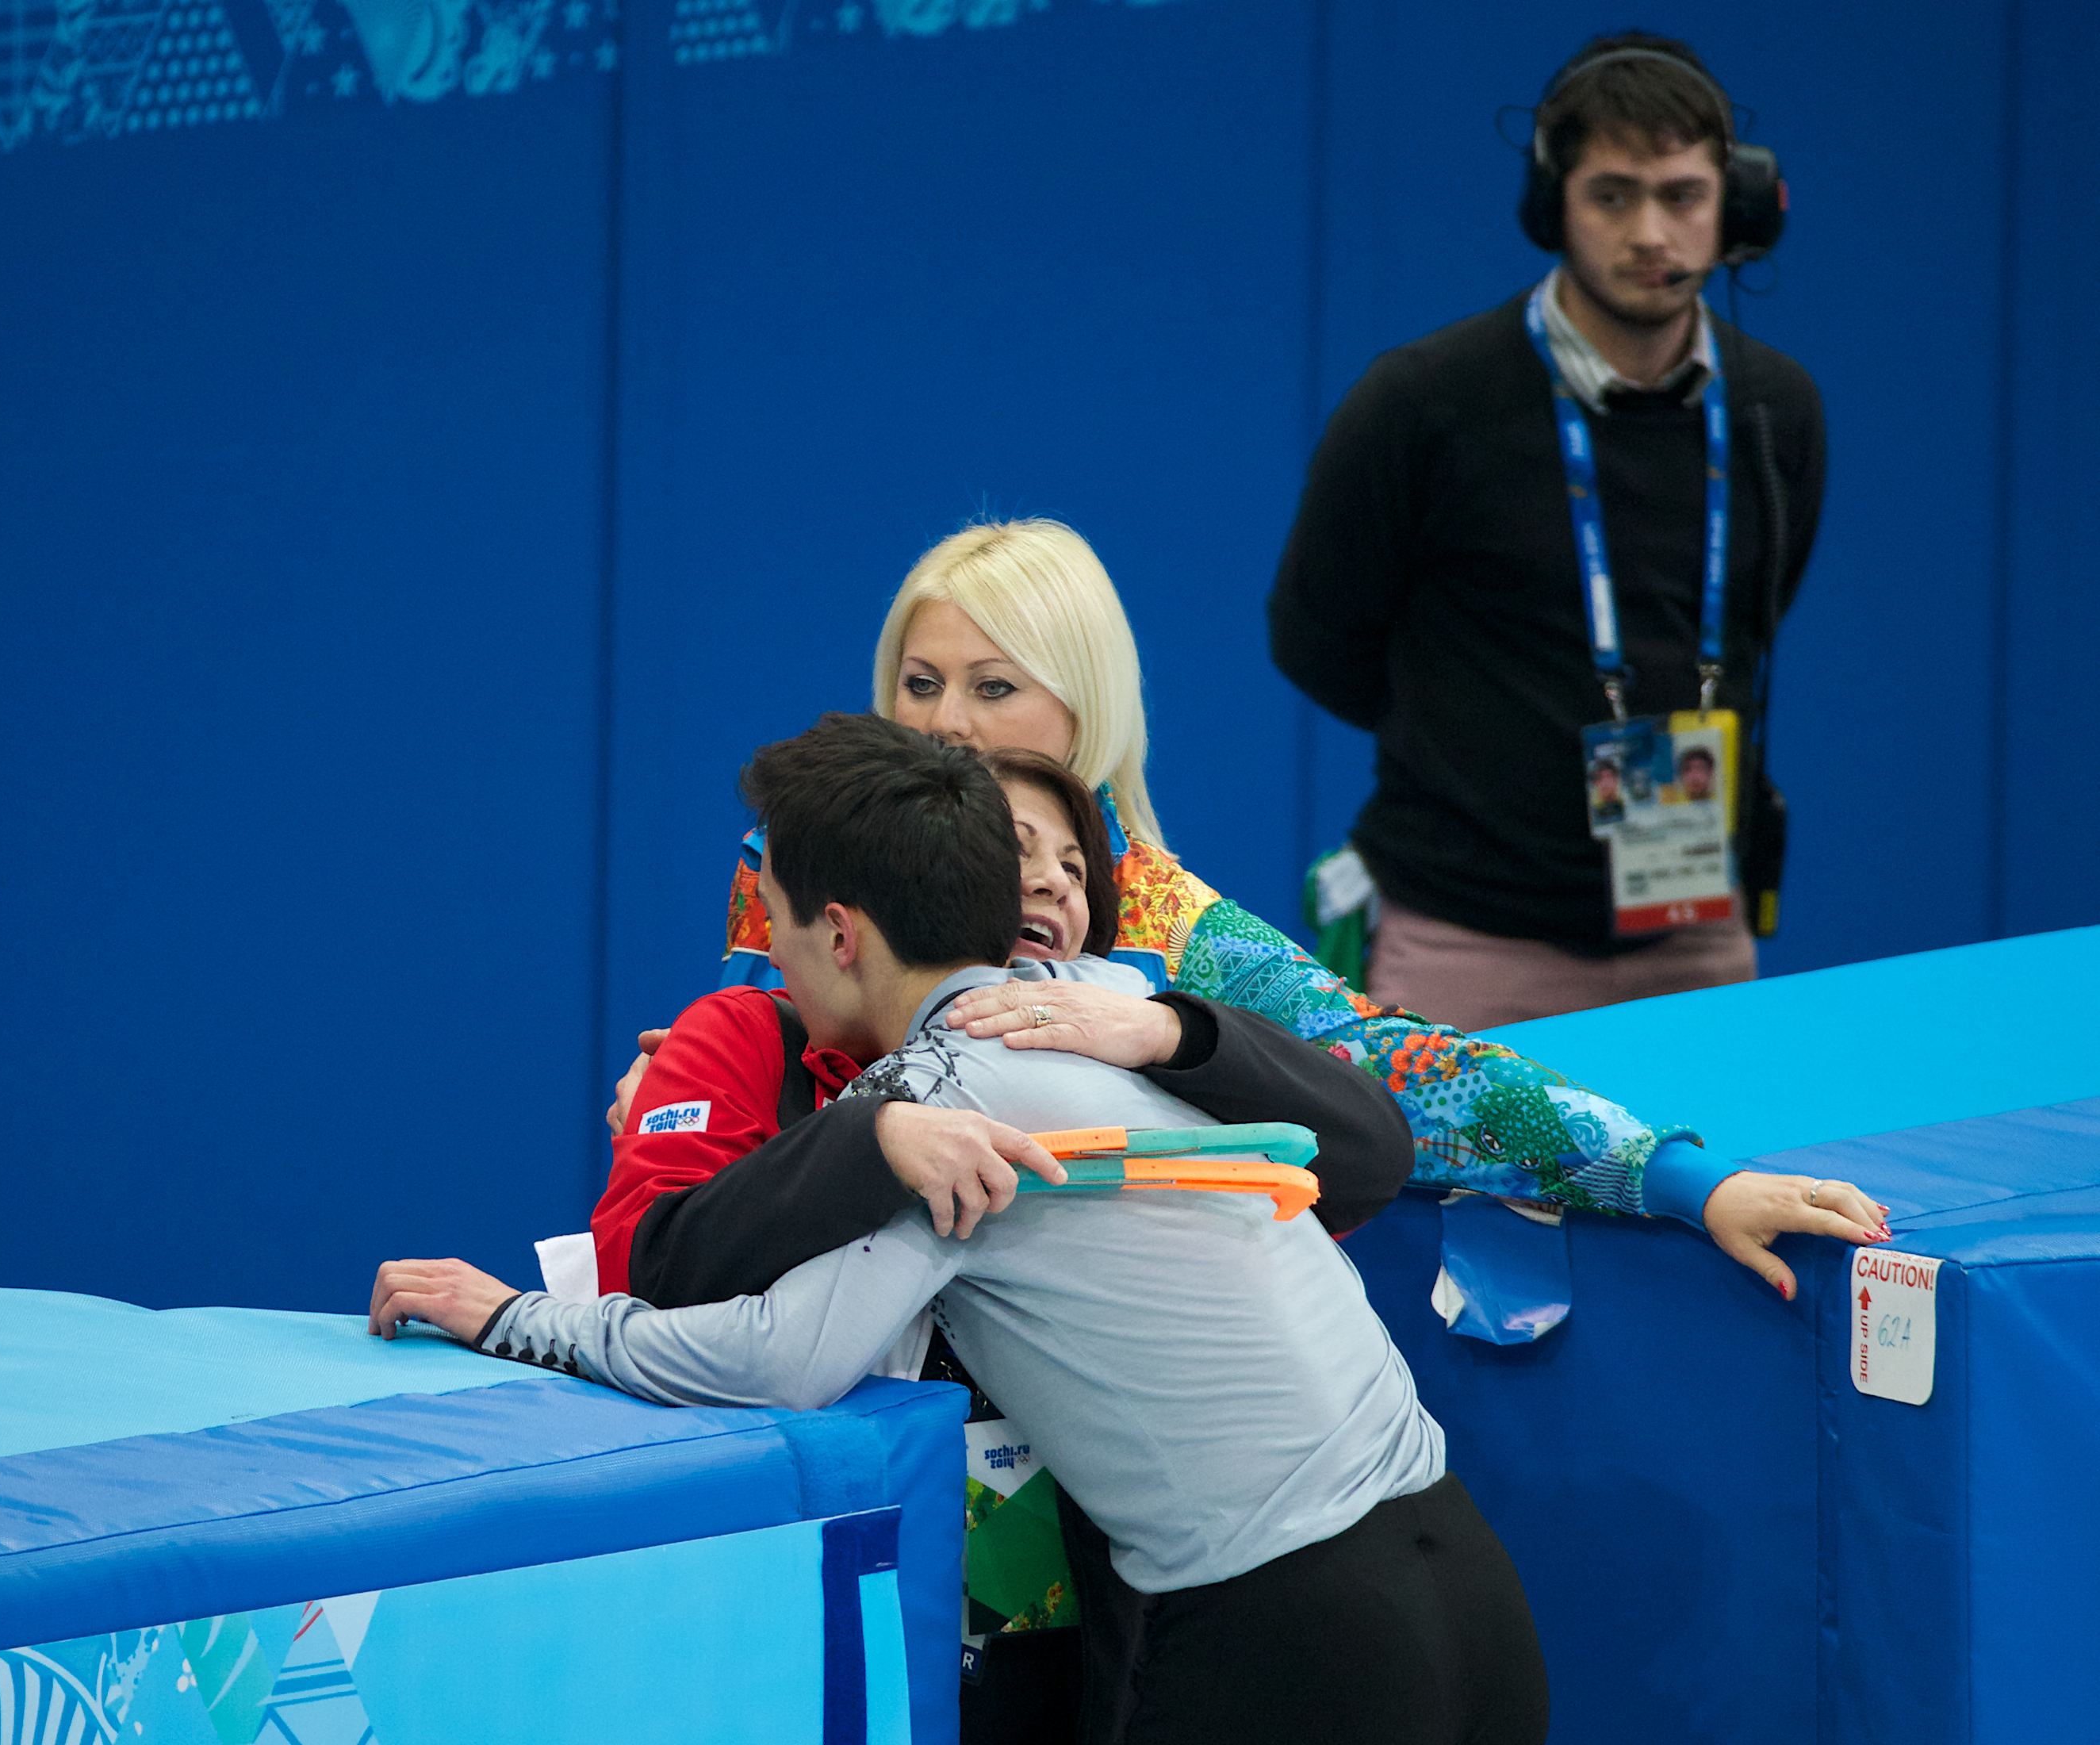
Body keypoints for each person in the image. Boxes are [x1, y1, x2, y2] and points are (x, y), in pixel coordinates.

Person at [373, 713, 1551, 1745]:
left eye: (775, 922)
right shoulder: (1110, 1008)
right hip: (1470, 1586)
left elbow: (778, 1354)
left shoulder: (946, 1089)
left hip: (1297, 1634)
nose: (768, 956)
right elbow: (1370, 1138)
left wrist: (520, 1319)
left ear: (838, 935)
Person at [620, 516, 1881, 1299]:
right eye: (922, 681)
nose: (948, 722)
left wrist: (1675, 1180)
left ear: (1085, 716)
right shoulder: (788, 855)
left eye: (996, 687)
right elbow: (739, 1097)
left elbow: (1404, 1073)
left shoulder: (1169, 923)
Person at [601, 744, 1423, 1745]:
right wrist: (872, 1136)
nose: (1044, 881)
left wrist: (1171, 1033)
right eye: (1016, 852)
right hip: (878, 1587)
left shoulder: (1126, 1035)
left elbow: (1376, 1149)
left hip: (1159, 1604)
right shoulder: (759, 1035)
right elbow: (657, 1267)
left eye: (1075, 865)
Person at [1267, 33, 1826, 1032]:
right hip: (1466, 935)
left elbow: (1755, 617)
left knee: (1716, 1189)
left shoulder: (1774, 408)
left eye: (1682, 195)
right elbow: (1318, 638)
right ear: (1551, 207)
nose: (1651, 231)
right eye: (1612, 195)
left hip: (1694, 928)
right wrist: (1472, 747)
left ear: (1733, 204)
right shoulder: (1423, 404)